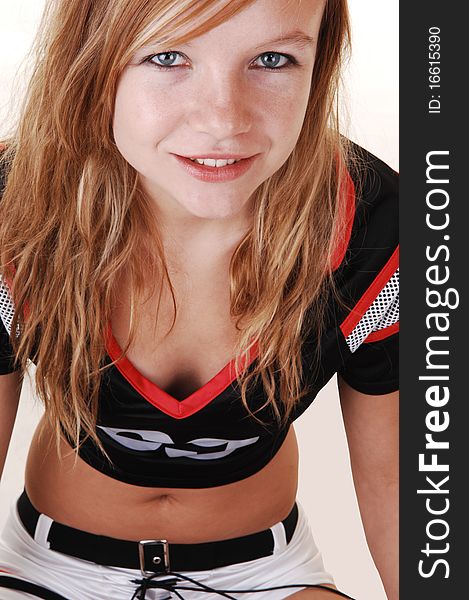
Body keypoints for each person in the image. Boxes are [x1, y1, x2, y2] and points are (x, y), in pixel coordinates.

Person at [0, 0, 399, 598]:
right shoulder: (13, 213)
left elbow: (401, 485)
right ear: (89, 63)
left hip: (266, 576)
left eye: (272, 58)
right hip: (47, 568)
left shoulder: (375, 232)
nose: (223, 119)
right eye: (167, 56)